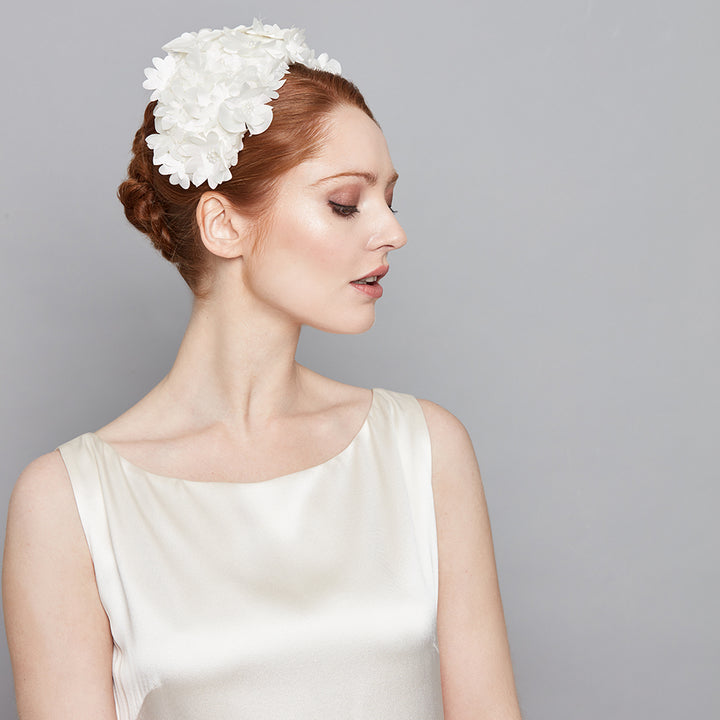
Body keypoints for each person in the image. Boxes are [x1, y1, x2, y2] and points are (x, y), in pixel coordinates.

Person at [2, 20, 522, 720]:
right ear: (224, 226)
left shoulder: (424, 451)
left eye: (389, 198)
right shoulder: (69, 503)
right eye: (345, 203)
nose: (392, 231)